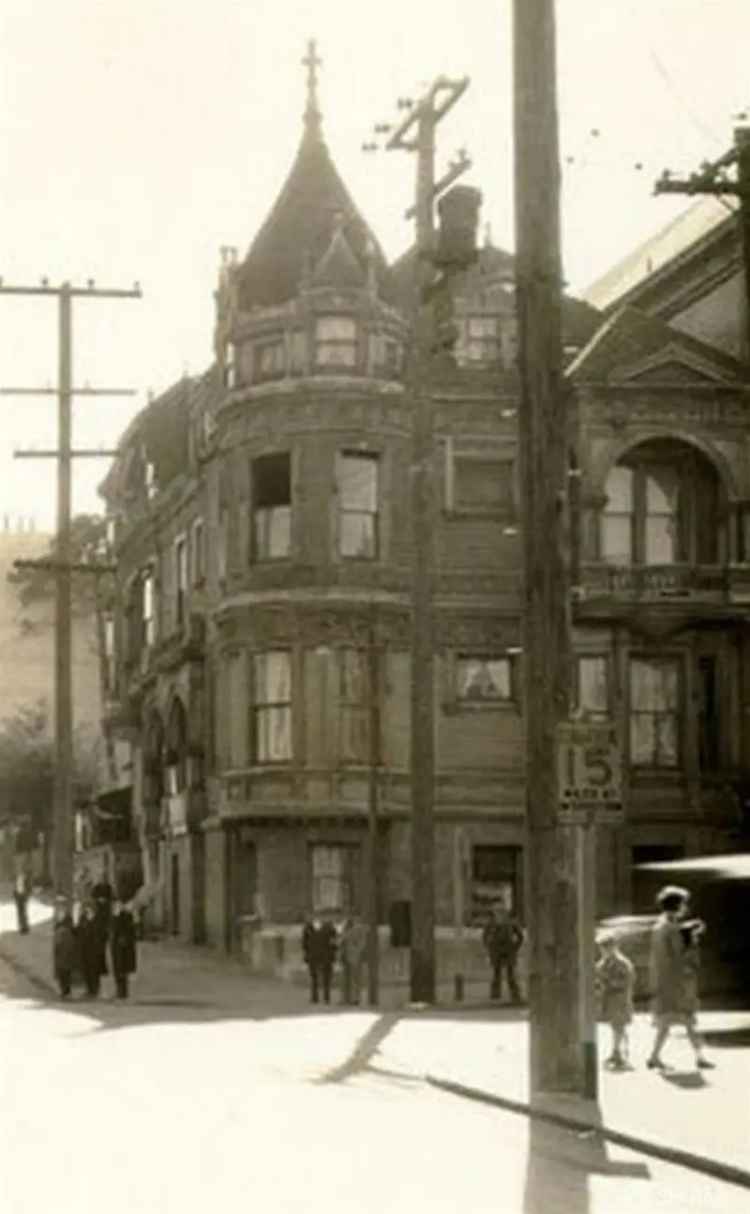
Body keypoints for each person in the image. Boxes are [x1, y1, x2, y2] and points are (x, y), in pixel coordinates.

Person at [647, 884, 713, 1071]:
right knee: (688, 1020)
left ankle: (654, 1057)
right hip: (676, 984)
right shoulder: (671, 928)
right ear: (677, 905)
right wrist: (693, 938)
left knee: (667, 1024)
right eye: (684, 903)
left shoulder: (661, 925)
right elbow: (679, 953)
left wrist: (687, 929)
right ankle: (700, 1058)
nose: (686, 907)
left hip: (664, 982)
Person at [595, 931, 635, 1069]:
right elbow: (598, 980)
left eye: (606, 946)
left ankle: (619, 1053)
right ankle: (619, 1052)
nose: (603, 950)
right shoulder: (601, 964)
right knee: (616, 1027)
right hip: (609, 1000)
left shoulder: (623, 963)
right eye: (602, 947)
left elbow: (627, 981)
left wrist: (609, 981)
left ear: (614, 946)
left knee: (619, 1026)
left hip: (620, 999)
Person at [482, 900, 525, 1003]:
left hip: (509, 950)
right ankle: (495, 994)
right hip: (496, 950)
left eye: (501, 911)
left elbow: (520, 936)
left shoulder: (511, 921)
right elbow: (485, 936)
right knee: (496, 973)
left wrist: (515, 947)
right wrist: (489, 947)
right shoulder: (491, 922)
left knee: (511, 974)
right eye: (497, 911)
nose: (499, 913)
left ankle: (515, 994)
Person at [302, 911, 338, 1005]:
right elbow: (305, 943)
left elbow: (333, 942)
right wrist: (306, 954)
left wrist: (333, 954)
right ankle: (315, 997)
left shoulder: (330, 928)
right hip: (313, 955)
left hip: (326, 956)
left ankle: (326, 997)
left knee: (327, 977)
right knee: (314, 977)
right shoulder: (308, 928)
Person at [77, 899, 107, 997]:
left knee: (95, 970)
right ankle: (88, 989)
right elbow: (79, 930)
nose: (88, 910)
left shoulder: (99, 919)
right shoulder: (83, 918)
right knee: (86, 969)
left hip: (95, 949)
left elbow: (102, 934)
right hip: (84, 948)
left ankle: (95, 990)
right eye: (87, 908)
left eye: (90, 908)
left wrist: (100, 945)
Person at [109, 898, 137, 999]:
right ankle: (119, 990)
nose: (116, 907)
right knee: (117, 969)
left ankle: (122, 992)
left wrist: (124, 939)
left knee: (122, 970)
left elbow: (130, 930)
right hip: (116, 946)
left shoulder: (126, 916)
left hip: (123, 947)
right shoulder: (114, 915)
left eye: (118, 905)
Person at [339, 914, 368, 1006]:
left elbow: (362, 942)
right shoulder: (345, 927)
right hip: (345, 956)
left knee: (355, 978)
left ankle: (356, 998)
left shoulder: (359, 928)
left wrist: (357, 951)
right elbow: (342, 940)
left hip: (354, 956)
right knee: (345, 978)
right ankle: (345, 998)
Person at [52, 897, 77, 999]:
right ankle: (63, 990)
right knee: (61, 971)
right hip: (59, 949)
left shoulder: (68, 921)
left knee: (66, 971)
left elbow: (72, 933)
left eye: (62, 909)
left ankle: (67, 991)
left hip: (67, 949)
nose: (60, 912)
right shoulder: (58, 922)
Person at [13, 870, 30, 934]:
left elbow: (28, 889)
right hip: (18, 897)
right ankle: (21, 927)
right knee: (19, 913)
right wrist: (15, 896)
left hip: (23, 897)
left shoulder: (25, 880)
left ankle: (25, 927)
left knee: (24, 912)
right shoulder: (17, 880)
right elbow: (15, 889)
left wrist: (26, 897)